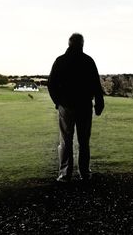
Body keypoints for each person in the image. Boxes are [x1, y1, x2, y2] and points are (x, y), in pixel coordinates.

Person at [48, 33, 104, 182]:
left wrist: (58, 102)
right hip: (84, 105)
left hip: (66, 106)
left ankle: (65, 174)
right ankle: (84, 173)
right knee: (84, 140)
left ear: (69, 44)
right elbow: (96, 85)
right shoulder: (88, 61)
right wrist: (99, 104)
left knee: (66, 140)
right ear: (82, 44)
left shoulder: (60, 61)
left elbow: (51, 84)